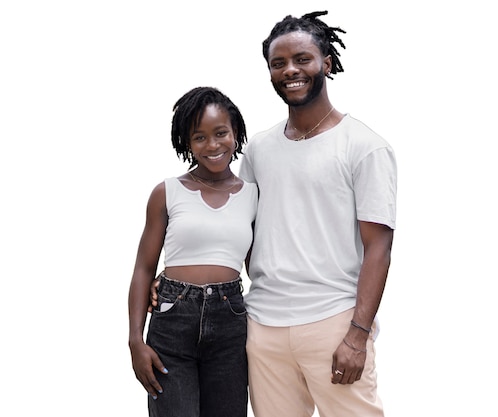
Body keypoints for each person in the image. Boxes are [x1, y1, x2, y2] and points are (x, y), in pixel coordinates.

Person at [238, 11, 397, 417]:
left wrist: (357, 336)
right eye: (279, 63)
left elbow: (378, 246)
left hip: (333, 323)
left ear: (326, 62)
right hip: (264, 326)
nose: (290, 70)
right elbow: (240, 229)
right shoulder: (258, 148)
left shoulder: (364, 146)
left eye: (302, 59)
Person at [128, 86, 258, 417]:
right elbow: (144, 268)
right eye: (199, 137)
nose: (212, 145)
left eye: (220, 133)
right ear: (186, 141)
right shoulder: (167, 192)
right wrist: (135, 341)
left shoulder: (254, 196)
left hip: (230, 321)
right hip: (172, 319)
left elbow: (265, 263)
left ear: (236, 133)